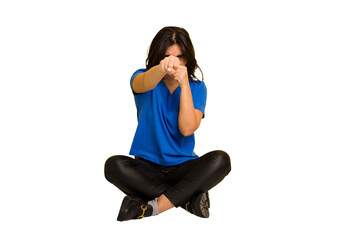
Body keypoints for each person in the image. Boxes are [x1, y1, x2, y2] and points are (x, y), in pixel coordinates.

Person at [104, 26, 231, 221]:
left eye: (179, 57)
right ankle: (188, 201)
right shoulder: (142, 77)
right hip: (147, 168)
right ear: (157, 57)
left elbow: (187, 129)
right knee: (113, 165)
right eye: (167, 57)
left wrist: (184, 84)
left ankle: (151, 207)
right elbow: (144, 82)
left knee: (221, 160)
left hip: (184, 167)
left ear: (187, 59)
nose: (173, 63)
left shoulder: (197, 88)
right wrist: (161, 68)